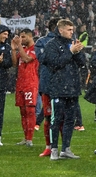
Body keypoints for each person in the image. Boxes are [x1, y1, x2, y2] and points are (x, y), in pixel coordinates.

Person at [41, 18, 87, 160]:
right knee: (56, 119)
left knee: (70, 120)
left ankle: (66, 148)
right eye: (69, 30)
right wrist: (71, 52)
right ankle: (54, 149)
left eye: (72, 30)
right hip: (58, 88)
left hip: (72, 87)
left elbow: (82, 64)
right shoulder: (51, 45)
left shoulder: (72, 44)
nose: (71, 32)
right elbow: (55, 64)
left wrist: (78, 51)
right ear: (60, 30)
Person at [35, 17, 61, 157]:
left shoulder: (66, 41)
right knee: (48, 116)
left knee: (60, 117)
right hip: (50, 84)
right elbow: (42, 59)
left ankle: (61, 148)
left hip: (60, 84)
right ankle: (49, 147)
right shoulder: (41, 42)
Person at [11, 28, 38, 146]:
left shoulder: (35, 49)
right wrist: (13, 50)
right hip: (20, 84)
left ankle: (30, 139)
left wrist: (19, 47)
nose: (21, 39)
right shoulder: (24, 49)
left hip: (31, 83)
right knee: (22, 111)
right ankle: (25, 138)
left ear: (30, 36)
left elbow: (27, 59)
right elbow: (14, 64)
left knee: (30, 111)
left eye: (23, 37)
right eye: (20, 37)